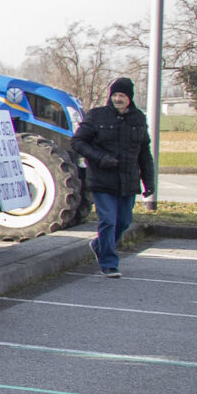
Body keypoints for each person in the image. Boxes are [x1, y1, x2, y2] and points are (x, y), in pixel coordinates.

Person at [73, 75, 156, 277]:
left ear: (130, 98)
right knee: (108, 221)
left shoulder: (138, 118)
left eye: (122, 96)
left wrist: (149, 181)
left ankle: (99, 245)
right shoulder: (97, 116)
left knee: (124, 221)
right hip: (102, 179)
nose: (118, 99)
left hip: (128, 181)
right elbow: (78, 142)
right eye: (115, 95)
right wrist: (100, 158)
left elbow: (144, 153)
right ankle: (109, 263)